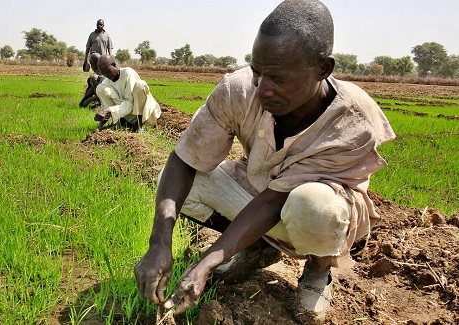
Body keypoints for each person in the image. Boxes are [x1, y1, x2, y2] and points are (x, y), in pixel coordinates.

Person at [133, 0, 396, 322]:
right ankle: (258, 244)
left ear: (323, 69)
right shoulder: (238, 90)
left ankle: (318, 270)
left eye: (278, 78)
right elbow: (185, 160)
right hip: (259, 186)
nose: (262, 89)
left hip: (322, 209)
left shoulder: (353, 121)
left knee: (312, 204)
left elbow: (277, 199)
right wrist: (159, 242)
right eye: (257, 72)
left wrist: (205, 264)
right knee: (176, 184)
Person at [93, 55, 161, 132]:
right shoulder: (106, 82)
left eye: (108, 71)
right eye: (103, 73)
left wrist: (108, 110)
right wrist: (100, 126)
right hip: (128, 116)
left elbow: (130, 104)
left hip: (146, 115)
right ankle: (121, 121)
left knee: (140, 85)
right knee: (100, 88)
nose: (106, 75)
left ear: (114, 65)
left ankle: (139, 125)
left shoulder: (128, 73)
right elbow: (108, 106)